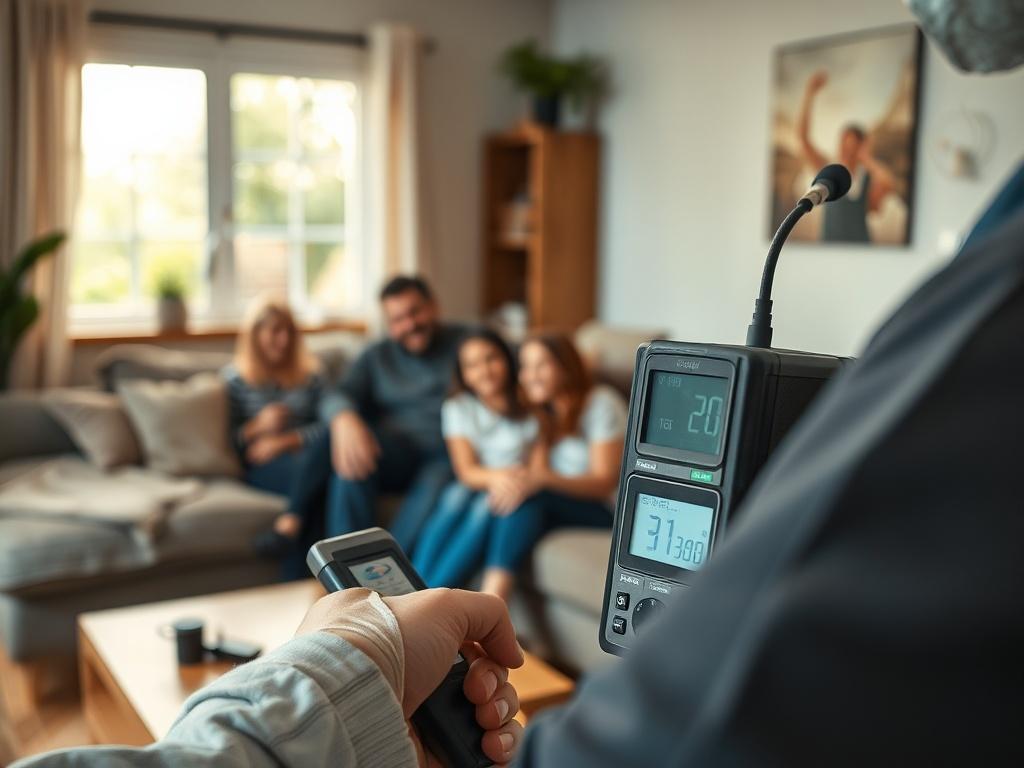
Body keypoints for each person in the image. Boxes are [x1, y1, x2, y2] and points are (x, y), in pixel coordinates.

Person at [16, 2, 1024, 765]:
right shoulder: (378, 364)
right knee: (409, 472)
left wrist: (336, 676)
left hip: (476, 514)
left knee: (479, 494)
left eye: (433, 321)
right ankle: (406, 580)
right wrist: (340, 662)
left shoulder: (491, 359)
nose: (422, 332)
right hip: (434, 498)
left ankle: (432, 586)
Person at [323, 276, 465, 552]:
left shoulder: (466, 341)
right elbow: (337, 394)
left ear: (433, 306)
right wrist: (345, 419)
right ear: (389, 325)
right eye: (398, 319)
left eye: (415, 312)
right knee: (352, 459)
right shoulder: (377, 356)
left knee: (434, 489)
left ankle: (390, 566)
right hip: (398, 451)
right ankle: (342, 566)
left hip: (448, 452)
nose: (410, 325)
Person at [481, 334, 627, 601]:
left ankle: (490, 600)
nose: (530, 376)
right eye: (525, 367)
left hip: (606, 509)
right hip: (561, 502)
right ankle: (473, 599)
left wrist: (542, 480)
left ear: (565, 367)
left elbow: (604, 482)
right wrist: (521, 480)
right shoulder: (545, 410)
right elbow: (537, 473)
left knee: (527, 498)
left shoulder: (601, 403)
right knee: (505, 500)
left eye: (541, 365)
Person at [412, 329, 539, 592]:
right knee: (455, 496)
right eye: (472, 365)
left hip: (515, 484)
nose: (484, 371)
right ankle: (415, 586)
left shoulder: (530, 399)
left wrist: (514, 480)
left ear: (507, 358)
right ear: (463, 374)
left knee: (484, 506)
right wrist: (500, 477)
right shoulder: (458, 406)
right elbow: (466, 470)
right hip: (481, 479)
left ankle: (435, 591)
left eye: (491, 358)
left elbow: (540, 462)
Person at [223, 297, 332, 566]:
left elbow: (329, 427)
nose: (283, 340)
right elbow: (226, 443)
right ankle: (304, 577)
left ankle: (289, 525)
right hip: (265, 466)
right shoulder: (234, 380)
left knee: (328, 447)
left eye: (289, 331)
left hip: (310, 456)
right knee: (319, 489)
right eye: (275, 331)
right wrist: (256, 427)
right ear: (256, 335)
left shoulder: (312, 377)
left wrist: (287, 441)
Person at [797, 69, 899, 242]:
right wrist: (809, 94)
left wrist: (866, 158)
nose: (846, 151)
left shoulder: (866, 178)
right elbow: (803, 139)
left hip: (860, 249)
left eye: (851, 146)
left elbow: (888, 184)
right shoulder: (829, 170)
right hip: (830, 249)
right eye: (843, 145)